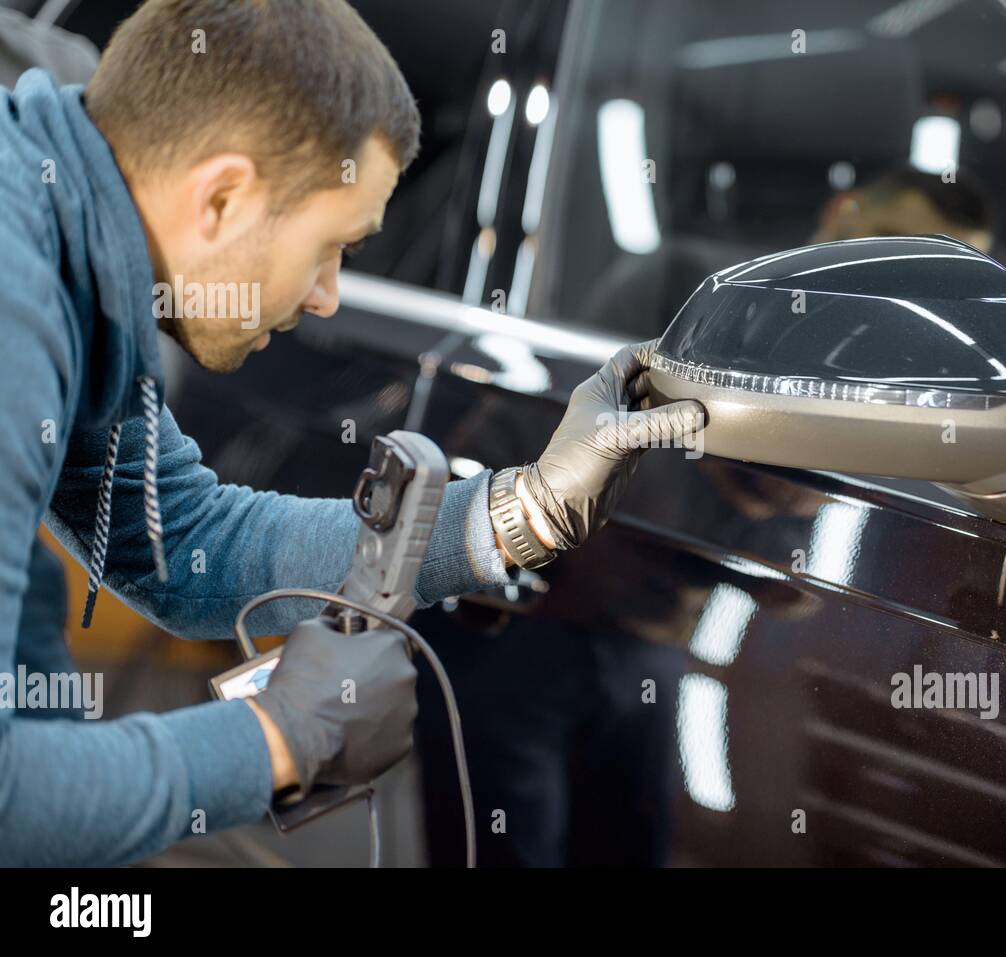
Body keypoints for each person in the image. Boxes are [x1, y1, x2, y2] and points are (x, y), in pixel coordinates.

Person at [0, 0, 704, 867]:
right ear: (221, 195)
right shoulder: (15, 301)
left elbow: (183, 539)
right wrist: (282, 740)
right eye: (332, 246)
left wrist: (522, 512)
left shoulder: (81, 240)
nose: (329, 296)